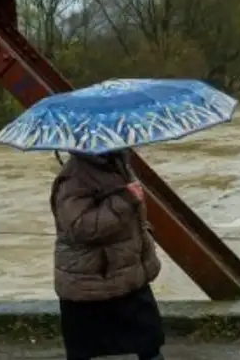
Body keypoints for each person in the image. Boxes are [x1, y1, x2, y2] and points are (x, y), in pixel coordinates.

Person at [49, 149, 165, 360]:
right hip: (89, 278)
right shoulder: (73, 178)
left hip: (123, 270)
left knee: (150, 340)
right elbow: (79, 228)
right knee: (84, 348)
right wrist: (125, 200)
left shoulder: (118, 160)